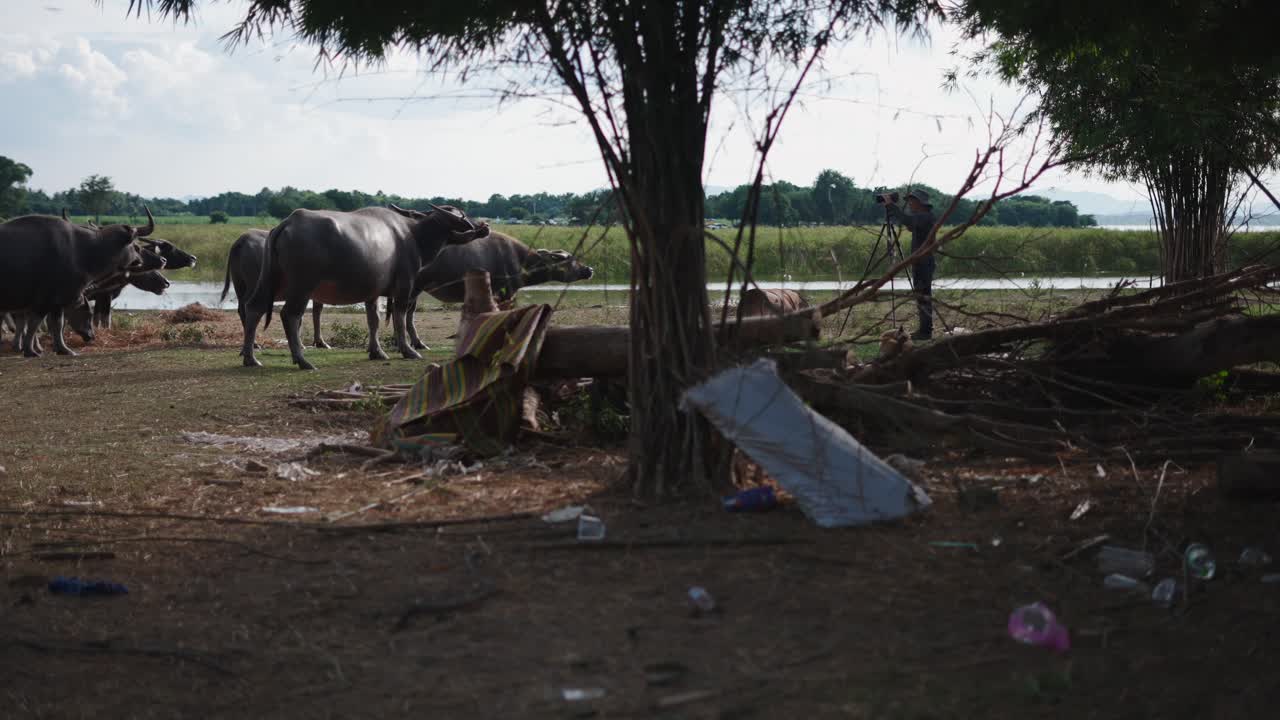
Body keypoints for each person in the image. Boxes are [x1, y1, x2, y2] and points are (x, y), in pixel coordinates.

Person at [884, 189, 937, 340]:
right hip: (922, 260)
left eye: (912, 201)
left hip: (923, 262)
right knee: (921, 296)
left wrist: (891, 206)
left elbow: (907, 221)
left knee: (923, 296)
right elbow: (911, 224)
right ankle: (925, 329)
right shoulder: (924, 217)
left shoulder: (925, 216)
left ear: (920, 203)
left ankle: (926, 332)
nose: (910, 204)